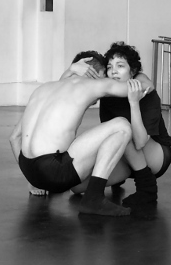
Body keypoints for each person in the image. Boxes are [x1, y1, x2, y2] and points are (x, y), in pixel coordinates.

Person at [9, 51, 150, 217]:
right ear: (97, 73)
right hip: (55, 174)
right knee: (122, 126)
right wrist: (137, 74)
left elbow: (14, 138)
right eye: (107, 74)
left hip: (31, 172)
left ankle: (85, 193)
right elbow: (143, 87)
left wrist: (33, 180)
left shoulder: (43, 89)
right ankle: (94, 199)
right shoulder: (94, 84)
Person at [64, 42, 171, 207]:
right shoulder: (108, 97)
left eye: (120, 66)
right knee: (77, 187)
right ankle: (117, 179)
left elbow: (140, 141)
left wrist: (134, 103)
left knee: (123, 128)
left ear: (133, 71)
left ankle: (147, 189)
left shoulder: (147, 94)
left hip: (156, 154)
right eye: (109, 67)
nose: (113, 71)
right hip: (128, 153)